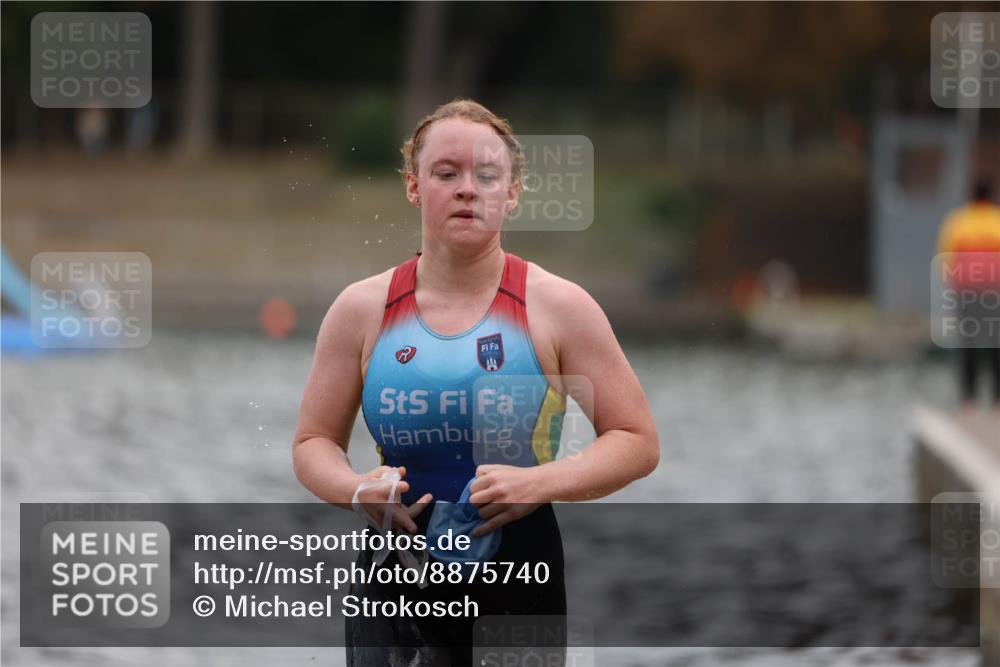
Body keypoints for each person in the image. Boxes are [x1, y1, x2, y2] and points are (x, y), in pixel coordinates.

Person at [292, 99, 660, 665]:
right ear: (415, 187)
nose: (468, 190)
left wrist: (541, 484)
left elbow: (636, 440)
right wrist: (355, 489)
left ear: (511, 193)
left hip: (517, 573)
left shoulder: (559, 307)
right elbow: (313, 444)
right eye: (447, 173)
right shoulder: (362, 309)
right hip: (393, 574)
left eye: (486, 176)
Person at [936, 178, 1000, 415]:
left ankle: (968, 400)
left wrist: (950, 284)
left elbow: (946, 255)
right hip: (995, 290)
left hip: (967, 290)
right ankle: (996, 399)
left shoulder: (958, 221)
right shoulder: (997, 220)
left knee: (968, 343)